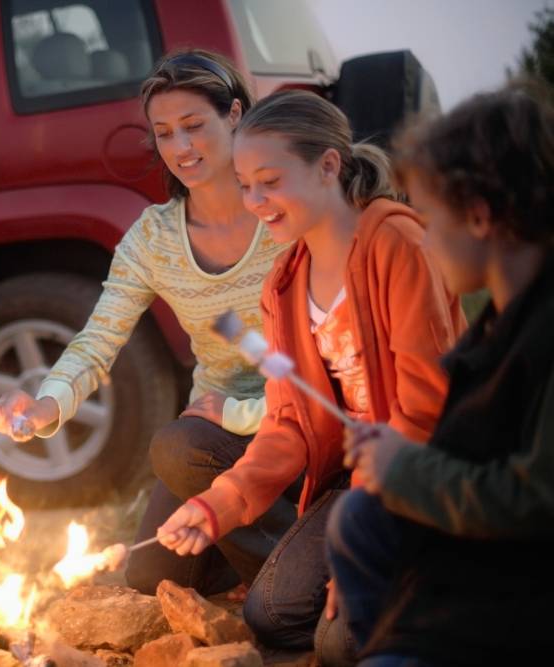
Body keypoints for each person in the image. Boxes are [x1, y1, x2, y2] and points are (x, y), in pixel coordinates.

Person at [156, 89, 465, 664]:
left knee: (341, 644)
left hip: (421, 473)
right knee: (271, 615)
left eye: (270, 181)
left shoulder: (395, 243)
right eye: (245, 184)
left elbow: (429, 409)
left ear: (328, 165)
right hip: (352, 481)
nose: (255, 201)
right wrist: (217, 505)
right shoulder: (285, 282)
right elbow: (289, 423)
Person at [0, 49, 296, 597]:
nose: (180, 148)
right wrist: (45, 404)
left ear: (235, 115)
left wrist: (246, 412)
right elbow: (98, 340)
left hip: (300, 420)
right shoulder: (152, 239)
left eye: (194, 126)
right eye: (164, 132)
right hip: (213, 441)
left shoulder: (285, 214)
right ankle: (277, 557)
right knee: (151, 578)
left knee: (173, 448)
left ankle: (290, 582)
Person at [327, 82, 554, 666]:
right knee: (356, 517)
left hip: (522, 593)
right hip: (477, 559)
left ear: (479, 215)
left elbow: (535, 500)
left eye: (429, 216)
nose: (424, 237)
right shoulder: (500, 320)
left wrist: (411, 470)